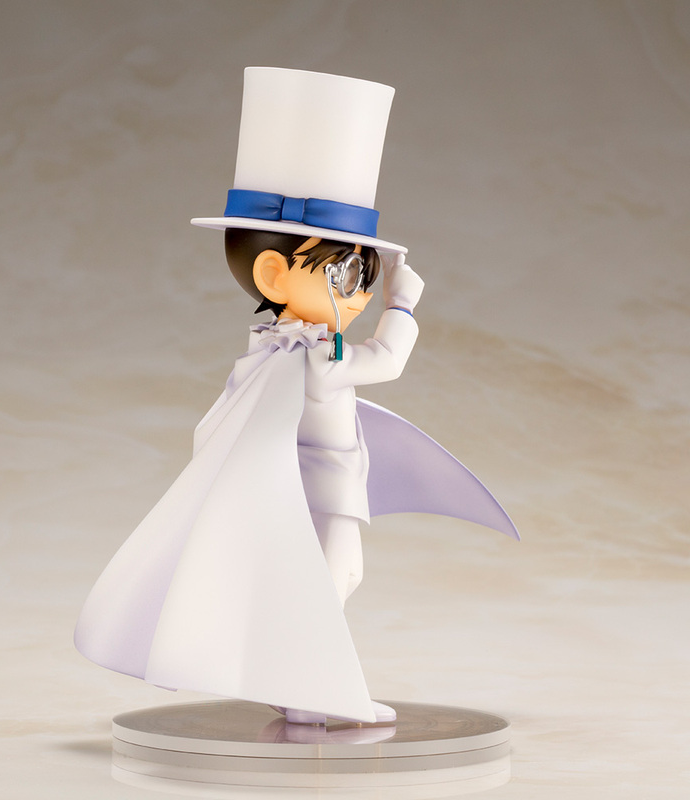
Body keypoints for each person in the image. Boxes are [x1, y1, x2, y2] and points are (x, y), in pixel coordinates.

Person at [75, 68, 517, 726]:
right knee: (335, 579)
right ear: (274, 274)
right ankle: (309, 690)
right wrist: (401, 305)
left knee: (321, 580)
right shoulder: (316, 355)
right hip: (324, 484)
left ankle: (299, 684)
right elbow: (387, 361)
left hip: (306, 479)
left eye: (364, 272)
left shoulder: (278, 345)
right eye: (344, 272)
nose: (358, 293)